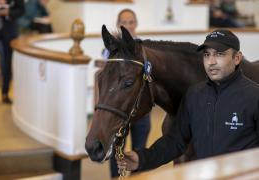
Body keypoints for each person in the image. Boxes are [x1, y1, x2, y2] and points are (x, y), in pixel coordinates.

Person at [117, 29, 259, 172]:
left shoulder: (254, 96)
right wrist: (142, 159)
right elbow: (175, 142)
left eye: (219, 54)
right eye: (206, 55)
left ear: (237, 58)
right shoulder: (194, 95)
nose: (211, 61)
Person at [102, 9, 151, 178]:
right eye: (124, 23)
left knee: (139, 151)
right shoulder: (111, 49)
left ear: (136, 24)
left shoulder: (144, 48)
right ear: (118, 25)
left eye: (131, 22)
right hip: (119, 111)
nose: (128, 26)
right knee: (117, 151)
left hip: (140, 110)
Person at [0, 0, 24, 104]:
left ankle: (5, 94)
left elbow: (21, 10)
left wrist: (8, 12)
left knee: (7, 64)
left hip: (9, 32)